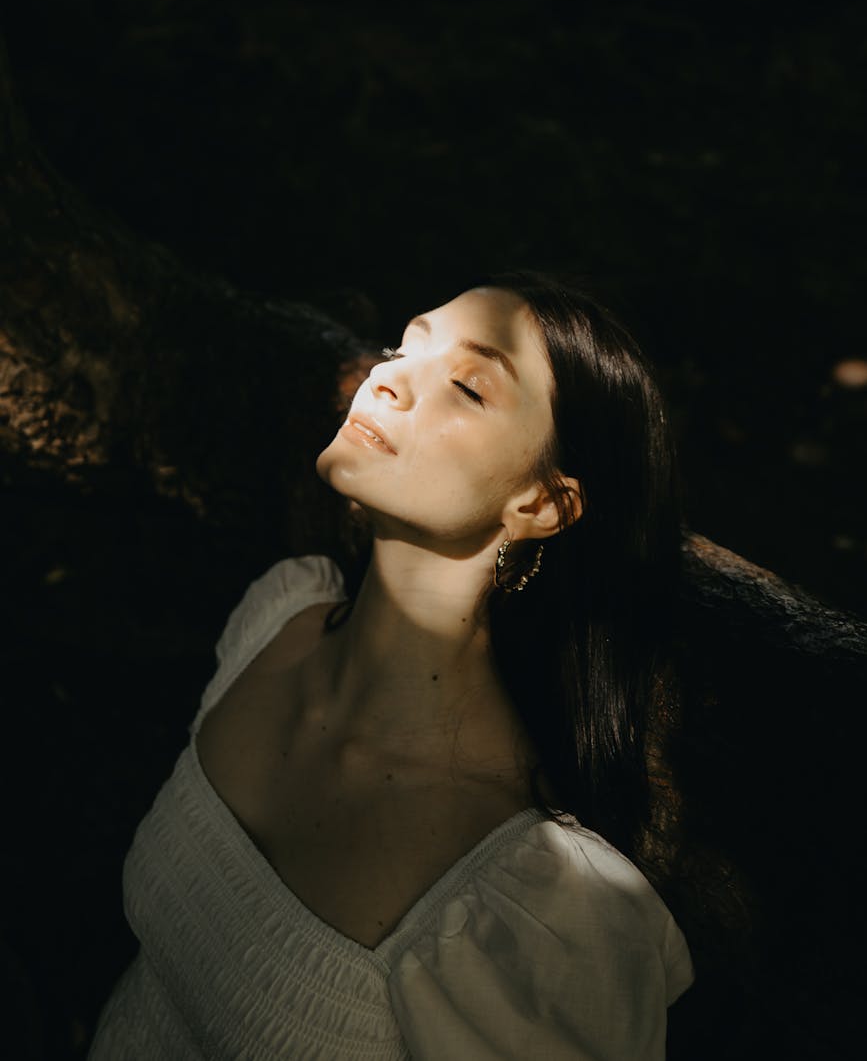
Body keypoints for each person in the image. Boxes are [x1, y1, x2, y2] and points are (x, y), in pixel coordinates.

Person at [87, 266, 695, 1060]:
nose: (387, 380)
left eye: (469, 387)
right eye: (402, 346)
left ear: (540, 505)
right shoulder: (274, 625)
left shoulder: (540, 908)